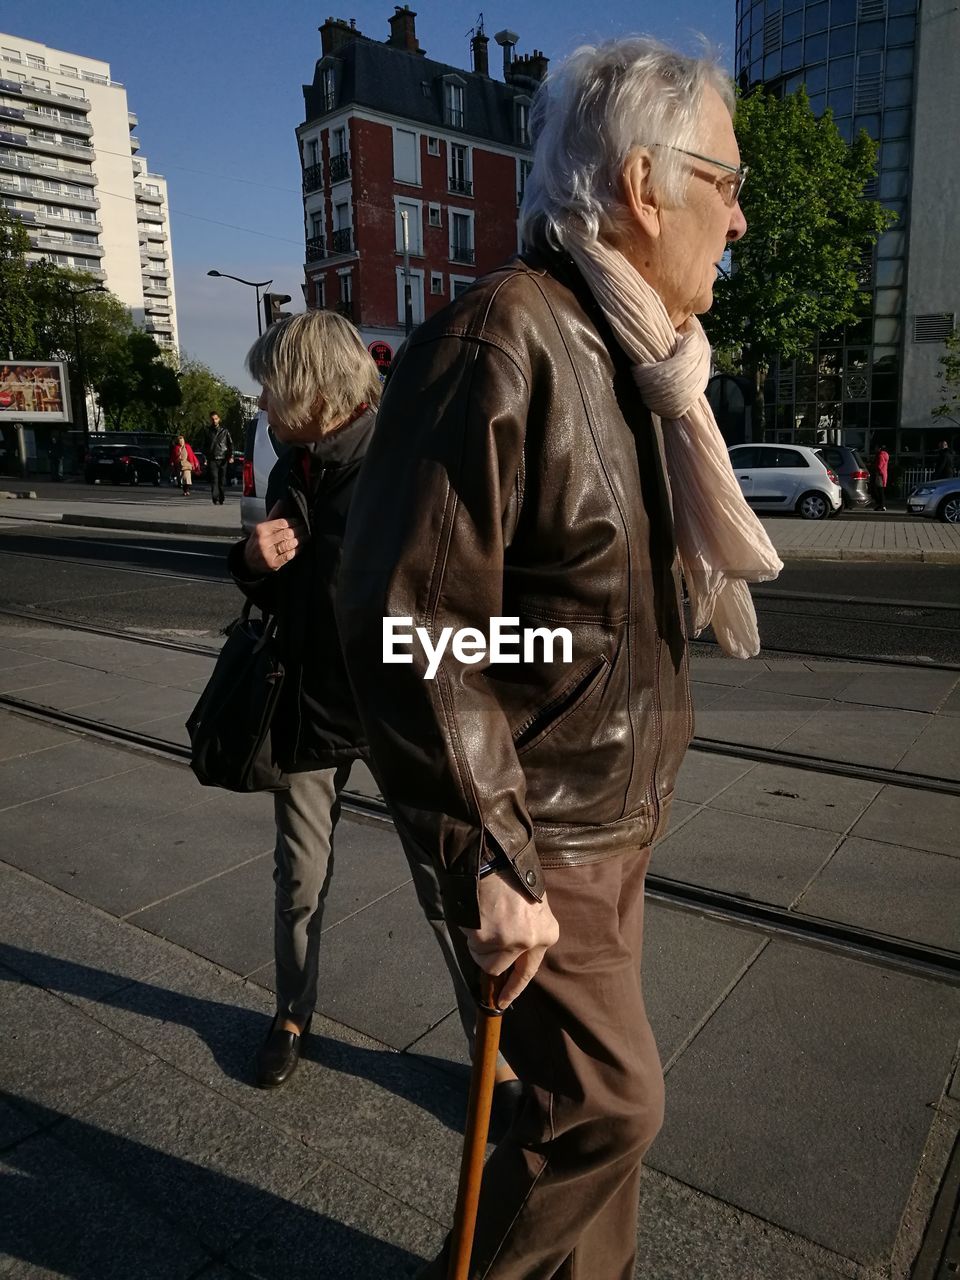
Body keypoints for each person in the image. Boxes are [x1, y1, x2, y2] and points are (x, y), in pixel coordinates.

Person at [338, 36, 781, 1279]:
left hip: (610, 818)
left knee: (583, 1123)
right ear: (645, 187)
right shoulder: (503, 340)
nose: (738, 220)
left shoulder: (636, 354)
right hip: (535, 831)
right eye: (726, 183)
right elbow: (407, 619)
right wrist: (491, 853)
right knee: (609, 1107)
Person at [229, 312, 517, 1098]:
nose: (260, 402)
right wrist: (251, 561)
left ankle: (490, 1049)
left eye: (270, 386)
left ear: (315, 391)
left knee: (444, 885)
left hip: (402, 717)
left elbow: (466, 594)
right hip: (309, 709)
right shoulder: (295, 464)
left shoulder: (410, 463)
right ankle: (291, 1015)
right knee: (299, 880)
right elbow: (282, 584)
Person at [207, 412, 233, 505]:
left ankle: (221, 497)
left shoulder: (224, 431)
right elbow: (204, 445)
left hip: (223, 458)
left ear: (219, 419)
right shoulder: (208, 431)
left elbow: (230, 444)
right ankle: (215, 498)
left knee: (221, 480)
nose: (214, 421)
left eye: (216, 419)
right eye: (212, 419)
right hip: (212, 458)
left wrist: (231, 456)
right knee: (214, 479)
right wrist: (206, 456)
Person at [872, 443, 890, 510]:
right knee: (880, 490)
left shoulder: (880, 455)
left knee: (878, 490)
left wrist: (874, 468)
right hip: (883, 474)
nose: (875, 449)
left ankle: (881, 505)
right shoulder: (884, 454)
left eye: (876, 447)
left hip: (880, 474)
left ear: (879, 448)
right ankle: (882, 505)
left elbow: (879, 465)